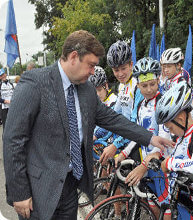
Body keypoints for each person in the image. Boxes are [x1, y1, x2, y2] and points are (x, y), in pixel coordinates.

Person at [3, 30, 174, 220]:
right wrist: (19, 192)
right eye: (91, 65)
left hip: (70, 187)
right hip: (38, 192)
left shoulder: (85, 90)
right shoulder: (35, 83)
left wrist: (150, 137)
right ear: (74, 57)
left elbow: (112, 119)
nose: (93, 72)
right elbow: (13, 140)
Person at [115, 57, 172, 219]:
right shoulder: (141, 105)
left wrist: (144, 166)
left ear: (158, 80)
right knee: (152, 204)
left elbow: (163, 140)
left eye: (152, 84)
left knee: (166, 207)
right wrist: (124, 153)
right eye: (144, 85)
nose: (148, 89)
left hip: (161, 164)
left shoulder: (162, 103)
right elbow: (138, 134)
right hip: (148, 163)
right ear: (137, 85)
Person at [156, 81, 193, 218]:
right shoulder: (182, 135)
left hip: (192, 209)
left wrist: (170, 163)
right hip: (179, 203)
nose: (171, 132)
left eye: (170, 128)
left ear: (180, 119)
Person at [100, 40, 145, 164]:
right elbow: (113, 115)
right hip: (126, 139)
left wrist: (115, 145)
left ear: (131, 64)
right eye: (115, 70)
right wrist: (95, 134)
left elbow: (134, 122)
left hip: (139, 142)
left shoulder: (138, 85)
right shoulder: (122, 86)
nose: (120, 74)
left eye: (123, 68)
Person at [88, 66, 117, 140]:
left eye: (99, 90)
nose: (97, 94)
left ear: (106, 86)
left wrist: (94, 136)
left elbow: (109, 124)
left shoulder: (114, 101)